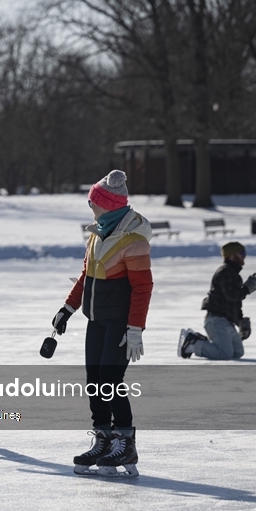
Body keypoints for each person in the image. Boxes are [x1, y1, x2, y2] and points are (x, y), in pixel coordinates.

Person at [52, 169, 152, 477]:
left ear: (107, 204)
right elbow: (86, 277)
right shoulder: (97, 233)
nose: (89, 205)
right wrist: (67, 308)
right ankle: (103, 437)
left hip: (120, 324)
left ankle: (125, 440)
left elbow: (142, 288)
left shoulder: (133, 240)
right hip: (95, 321)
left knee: (111, 381)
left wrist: (134, 330)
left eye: (93, 201)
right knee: (95, 382)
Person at [179, 242, 256, 361]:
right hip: (216, 321)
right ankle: (193, 343)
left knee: (237, 352)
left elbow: (234, 303)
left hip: (226, 321)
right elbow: (231, 296)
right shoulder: (224, 272)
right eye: (242, 253)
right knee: (224, 354)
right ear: (232, 255)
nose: (244, 256)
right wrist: (247, 289)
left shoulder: (234, 275)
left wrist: (240, 321)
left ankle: (201, 341)